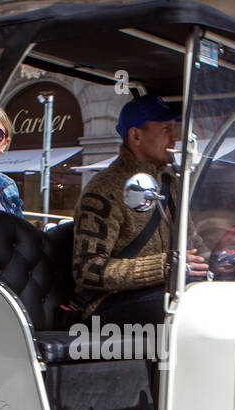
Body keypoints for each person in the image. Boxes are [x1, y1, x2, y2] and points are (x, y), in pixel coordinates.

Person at [72, 94, 208, 325]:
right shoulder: (104, 189)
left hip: (159, 294)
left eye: (174, 128)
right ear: (136, 135)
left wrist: (221, 261)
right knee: (188, 306)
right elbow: (88, 269)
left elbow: (193, 244)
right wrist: (164, 266)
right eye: (166, 128)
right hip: (108, 304)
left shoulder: (170, 182)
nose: (175, 137)